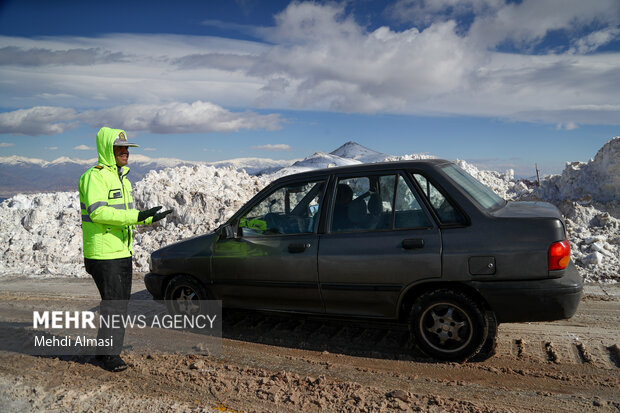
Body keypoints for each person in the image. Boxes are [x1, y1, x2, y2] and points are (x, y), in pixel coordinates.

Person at [78, 127, 172, 372]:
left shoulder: (122, 178)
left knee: (117, 303)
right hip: (103, 252)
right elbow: (98, 212)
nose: (125, 152)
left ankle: (104, 350)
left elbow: (123, 216)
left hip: (120, 250)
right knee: (115, 304)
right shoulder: (95, 176)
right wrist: (136, 214)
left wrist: (147, 219)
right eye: (120, 148)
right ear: (107, 150)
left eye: (127, 148)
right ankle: (110, 356)